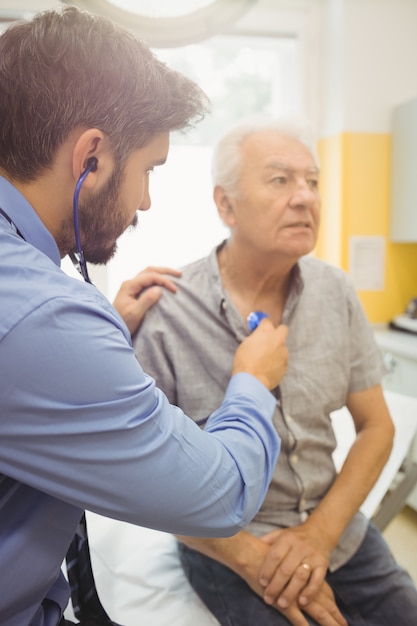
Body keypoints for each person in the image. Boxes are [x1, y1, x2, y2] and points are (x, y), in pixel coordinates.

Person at [0, 9, 291, 626]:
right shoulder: (42, 314)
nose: (147, 201)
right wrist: (253, 380)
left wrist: (87, 331)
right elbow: (224, 494)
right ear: (91, 159)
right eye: (150, 170)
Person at [132, 117, 417, 626]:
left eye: (312, 181)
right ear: (225, 204)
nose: (306, 197)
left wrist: (318, 537)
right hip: (228, 542)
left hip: (337, 531)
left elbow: (378, 427)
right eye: (281, 179)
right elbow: (145, 475)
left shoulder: (336, 292)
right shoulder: (167, 312)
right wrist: (253, 558)